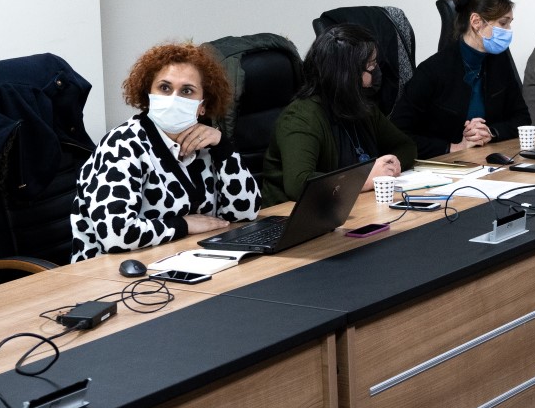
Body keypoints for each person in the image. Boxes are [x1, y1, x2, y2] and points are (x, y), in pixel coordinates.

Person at [70, 42, 260, 261]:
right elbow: (115, 235)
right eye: (165, 88)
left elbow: (245, 212)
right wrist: (183, 225)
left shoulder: (207, 144)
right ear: (148, 94)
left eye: (187, 91)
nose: (173, 99)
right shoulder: (122, 144)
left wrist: (223, 147)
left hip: (185, 260)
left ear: (202, 106)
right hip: (110, 271)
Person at [260, 23, 415, 205]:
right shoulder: (300, 118)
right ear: (348, 74)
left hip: (350, 205)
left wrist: (392, 165)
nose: (375, 74)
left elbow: (406, 146)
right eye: (371, 66)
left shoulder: (361, 106)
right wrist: (363, 179)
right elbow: (299, 183)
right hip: (292, 216)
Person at [391, 0, 531, 159]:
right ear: (476, 21)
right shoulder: (433, 70)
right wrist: (454, 147)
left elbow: (522, 118)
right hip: (443, 164)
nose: (508, 30)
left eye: (510, 23)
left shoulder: (499, 60)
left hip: (486, 158)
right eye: (503, 23)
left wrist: (490, 132)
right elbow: (397, 135)